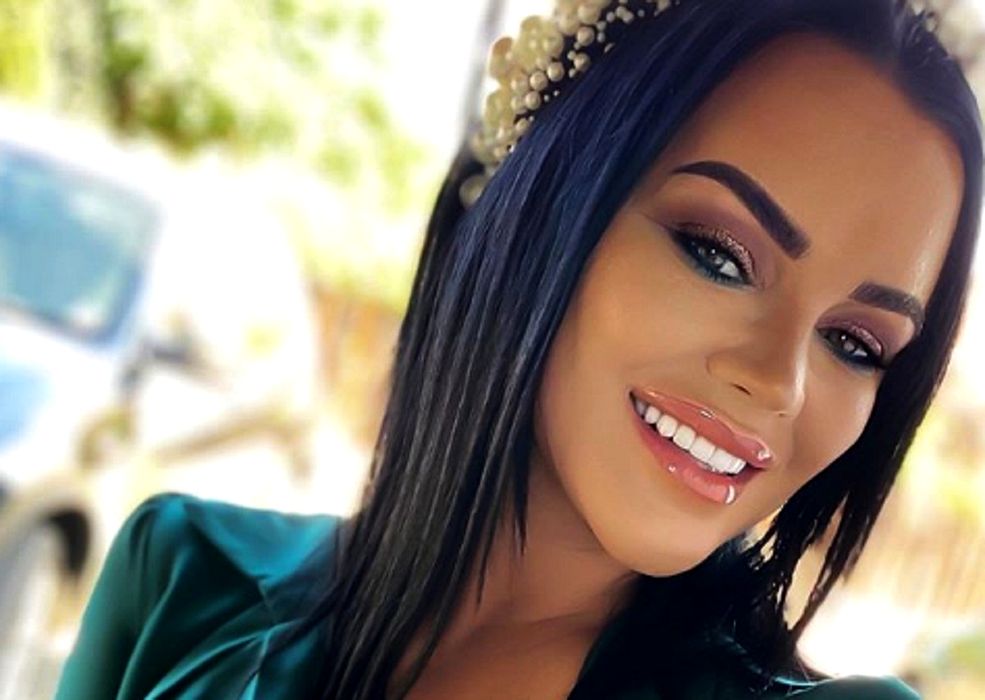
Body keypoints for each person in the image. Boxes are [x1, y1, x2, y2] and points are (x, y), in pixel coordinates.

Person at [54, 0, 982, 698]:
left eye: (854, 342)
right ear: (542, 200)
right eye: (718, 255)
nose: (778, 381)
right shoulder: (178, 581)